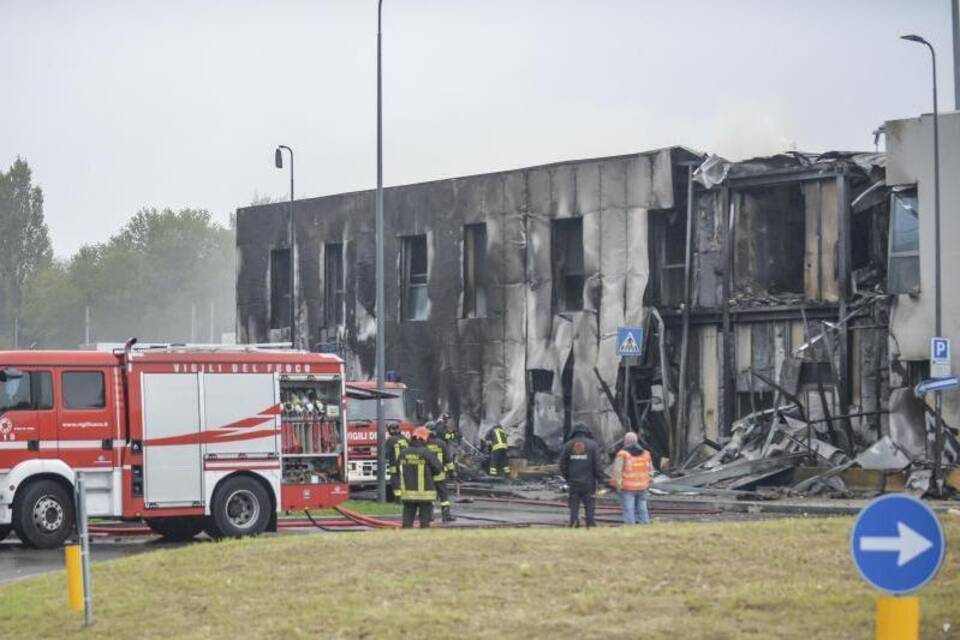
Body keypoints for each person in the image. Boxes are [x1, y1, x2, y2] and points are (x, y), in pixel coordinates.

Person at [559, 423, 605, 528]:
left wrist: (568, 477)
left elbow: (562, 464)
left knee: (574, 504)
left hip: (573, 481)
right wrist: (601, 479)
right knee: (589, 504)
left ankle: (574, 523)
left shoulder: (568, 445)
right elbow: (597, 465)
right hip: (589, 482)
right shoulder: (593, 445)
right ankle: (590, 524)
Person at [397, 426, 443, 529]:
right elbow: (438, 469)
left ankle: (406, 537)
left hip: (408, 494)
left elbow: (396, 470)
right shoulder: (427, 453)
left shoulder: (403, 453)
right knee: (425, 523)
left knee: (407, 522)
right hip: (425, 494)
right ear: (423, 438)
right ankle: (423, 538)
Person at [610, 431, 652, 525]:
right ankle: (645, 524)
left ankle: (630, 526)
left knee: (629, 508)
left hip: (628, 487)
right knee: (642, 507)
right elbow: (650, 470)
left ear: (625, 441)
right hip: (643, 486)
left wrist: (617, 485)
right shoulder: (646, 453)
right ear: (637, 441)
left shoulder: (622, 454)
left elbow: (617, 471)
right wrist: (649, 482)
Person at [425, 423, 456, 522]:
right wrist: (452, 472)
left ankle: (429, 516)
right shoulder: (441, 443)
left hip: (427, 476)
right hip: (440, 475)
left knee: (430, 496)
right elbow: (448, 460)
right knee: (444, 496)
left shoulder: (424, 444)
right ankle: (446, 515)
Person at [384, 421, 408, 502]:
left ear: (390, 430)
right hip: (406, 464)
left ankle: (398, 500)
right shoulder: (404, 439)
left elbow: (386, 454)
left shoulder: (390, 440)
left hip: (394, 465)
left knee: (395, 482)